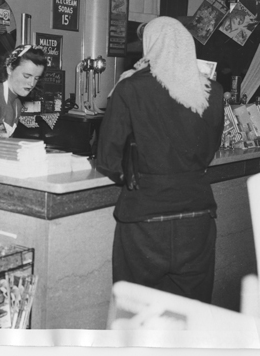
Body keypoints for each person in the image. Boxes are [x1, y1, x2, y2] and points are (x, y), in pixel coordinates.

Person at [96, 17, 224, 303]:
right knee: (191, 314)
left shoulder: (129, 88)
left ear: (149, 45)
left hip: (145, 219)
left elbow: (107, 159)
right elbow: (211, 149)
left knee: (136, 314)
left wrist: (136, 174)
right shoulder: (212, 92)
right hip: (198, 217)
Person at [0, 45, 46, 137]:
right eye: (27, 76)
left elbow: (3, 139)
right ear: (9, 69)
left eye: (36, 78)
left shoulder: (17, 103)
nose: (32, 83)